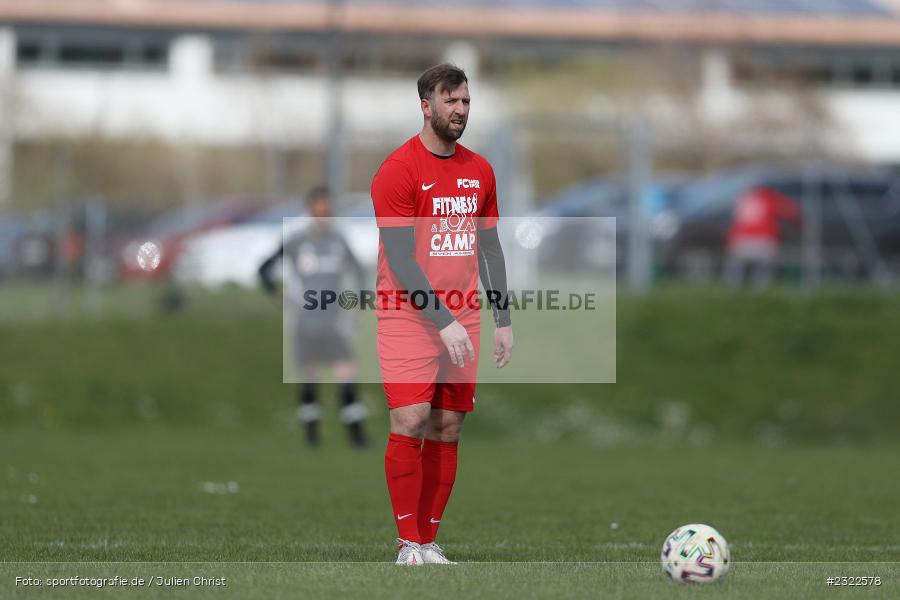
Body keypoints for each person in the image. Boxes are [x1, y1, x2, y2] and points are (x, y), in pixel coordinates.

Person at [370, 63, 514, 565]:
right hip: (408, 314)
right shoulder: (398, 170)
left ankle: (430, 542)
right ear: (426, 106)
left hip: (466, 315)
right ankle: (408, 543)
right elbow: (403, 260)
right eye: (451, 101)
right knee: (410, 419)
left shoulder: (480, 170)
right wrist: (444, 321)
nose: (461, 111)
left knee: (447, 427)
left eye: (466, 102)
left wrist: (504, 320)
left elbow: (490, 248)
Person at [259, 186, 369, 448]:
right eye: (319, 209)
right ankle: (312, 438)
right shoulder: (297, 241)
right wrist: (280, 296)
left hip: (335, 321)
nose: (323, 215)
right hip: (306, 322)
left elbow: (361, 273)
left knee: (346, 375)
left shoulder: (339, 240)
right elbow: (264, 269)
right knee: (310, 378)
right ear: (310, 210)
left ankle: (356, 437)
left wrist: (359, 307)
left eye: (327, 210)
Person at [724, 185, 801, 290]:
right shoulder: (769, 199)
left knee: (737, 268)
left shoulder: (743, 199)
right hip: (763, 239)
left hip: (741, 240)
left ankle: (732, 289)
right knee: (765, 267)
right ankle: (760, 290)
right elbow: (791, 211)